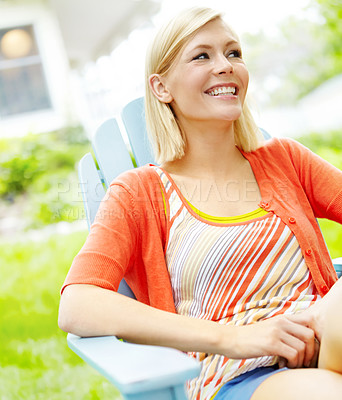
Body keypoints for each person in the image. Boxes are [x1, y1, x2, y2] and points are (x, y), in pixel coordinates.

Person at [58, 7, 342, 400]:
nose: (225, 66)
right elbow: (77, 303)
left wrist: (321, 312)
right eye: (201, 55)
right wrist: (235, 338)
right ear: (161, 88)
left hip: (325, 343)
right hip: (236, 373)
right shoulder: (138, 192)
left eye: (234, 53)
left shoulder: (286, 160)